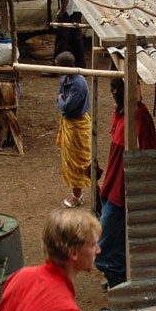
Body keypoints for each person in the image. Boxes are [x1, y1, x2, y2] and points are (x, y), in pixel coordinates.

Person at [95, 76, 156, 288]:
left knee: (101, 245)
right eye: (112, 87)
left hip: (123, 192)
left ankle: (117, 277)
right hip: (111, 187)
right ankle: (118, 277)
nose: (113, 92)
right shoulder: (118, 112)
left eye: (118, 88)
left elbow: (148, 158)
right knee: (116, 240)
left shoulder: (140, 117)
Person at [55, 52, 91, 208]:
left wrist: (61, 100)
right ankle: (76, 193)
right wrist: (61, 99)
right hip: (69, 124)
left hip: (78, 126)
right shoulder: (66, 78)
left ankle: (77, 196)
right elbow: (59, 95)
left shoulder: (78, 83)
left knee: (79, 162)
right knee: (70, 161)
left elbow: (67, 106)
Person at [55, 0, 85, 68]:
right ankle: (80, 64)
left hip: (69, 11)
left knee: (62, 39)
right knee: (76, 39)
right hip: (77, 10)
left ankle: (58, 65)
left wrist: (62, 12)